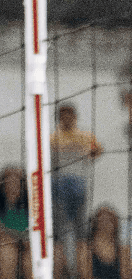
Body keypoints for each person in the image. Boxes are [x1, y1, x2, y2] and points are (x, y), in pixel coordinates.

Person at [51, 103, 102, 246]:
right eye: (63, 116)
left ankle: (80, 262)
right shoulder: (52, 138)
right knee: (59, 228)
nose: (66, 119)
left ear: (75, 117)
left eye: (69, 115)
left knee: (80, 228)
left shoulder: (86, 136)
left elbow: (97, 151)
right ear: (59, 118)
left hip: (79, 186)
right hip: (59, 186)